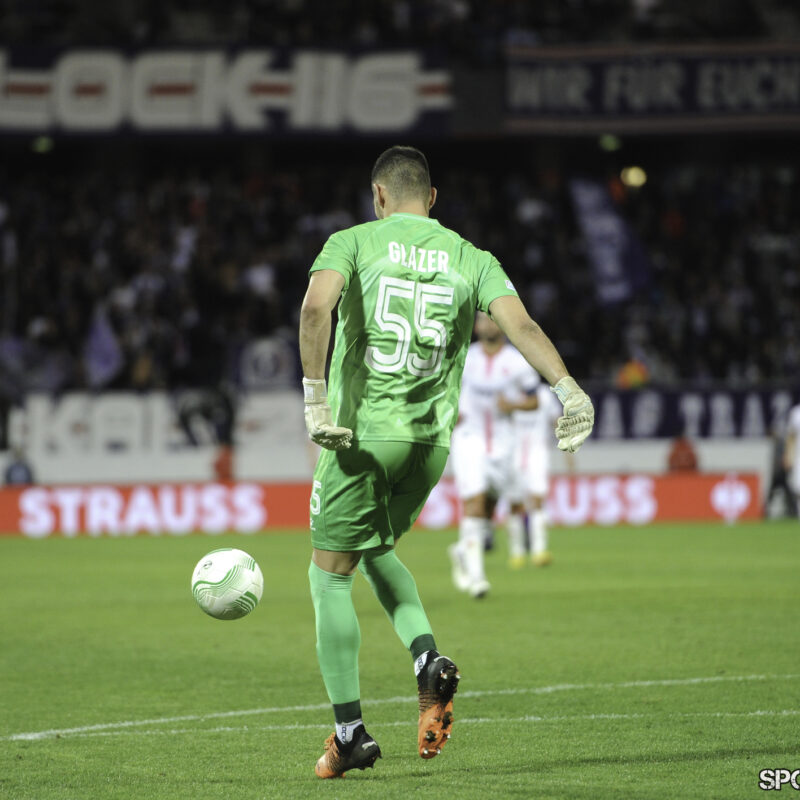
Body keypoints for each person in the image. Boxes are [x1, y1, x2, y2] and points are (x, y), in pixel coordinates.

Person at [299, 145, 594, 779]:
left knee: (328, 577)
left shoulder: (351, 242)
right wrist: (568, 389)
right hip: (431, 447)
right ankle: (427, 660)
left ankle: (349, 733)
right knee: (374, 549)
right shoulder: (474, 258)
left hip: (361, 439)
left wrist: (316, 401)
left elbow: (316, 308)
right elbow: (523, 327)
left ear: (379, 196)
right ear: (432, 200)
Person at [449, 312, 539, 596]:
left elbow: (535, 400)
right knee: (473, 502)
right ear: (476, 326)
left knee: (488, 507)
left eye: (494, 319)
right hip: (469, 439)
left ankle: (463, 550)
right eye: (483, 320)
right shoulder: (463, 358)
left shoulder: (517, 361)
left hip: (504, 443)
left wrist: (512, 406)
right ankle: (477, 578)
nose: (489, 324)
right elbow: (442, 391)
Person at [506, 383, 563, 567]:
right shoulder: (508, 390)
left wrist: (567, 442)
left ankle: (539, 551)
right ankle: (517, 553)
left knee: (537, 500)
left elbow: (555, 419)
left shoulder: (544, 395)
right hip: (511, 454)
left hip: (537, 453)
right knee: (515, 504)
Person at [783, 402, 800, 517]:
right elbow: (791, 436)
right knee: (798, 488)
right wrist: (788, 455)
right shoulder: (796, 413)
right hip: (799, 457)